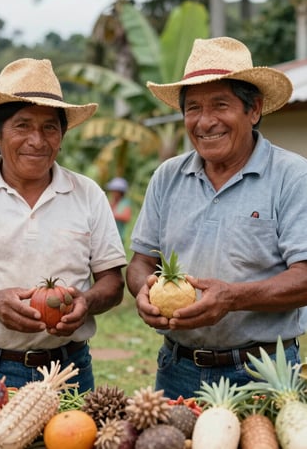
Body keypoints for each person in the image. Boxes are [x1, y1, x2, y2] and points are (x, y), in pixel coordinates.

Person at [126, 36, 307, 399]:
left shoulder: (293, 176)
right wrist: (143, 291)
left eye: (220, 105)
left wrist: (232, 297)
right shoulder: (168, 176)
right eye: (193, 108)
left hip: (265, 372)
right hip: (177, 369)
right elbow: (142, 262)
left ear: (253, 110)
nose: (205, 122)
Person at [0, 58, 127, 390]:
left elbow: (112, 282)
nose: (37, 140)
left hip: (69, 370)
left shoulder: (87, 193)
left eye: (49, 127)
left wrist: (86, 303)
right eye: (22, 126)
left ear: (62, 134)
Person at [105, 177, 132, 242]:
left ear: (120, 192)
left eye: (115, 191)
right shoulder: (112, 201)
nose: (112, 192)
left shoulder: (125, 203)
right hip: (109, 236)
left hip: (119, 237)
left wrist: (111, 214)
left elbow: (126, 217)